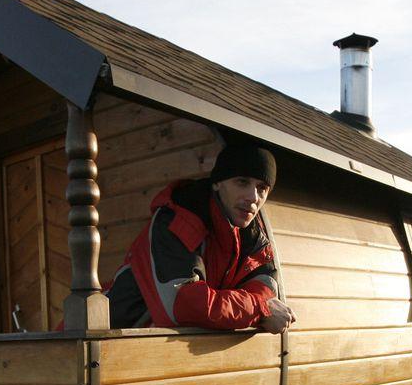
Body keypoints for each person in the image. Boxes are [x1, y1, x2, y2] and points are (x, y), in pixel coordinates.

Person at [105, 143, 295, 333]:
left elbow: (266, 292)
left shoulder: (254, 238)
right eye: (242, 182)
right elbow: (185, 306)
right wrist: (260, 310)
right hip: (117, 338)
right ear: (217, 183)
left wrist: (258, 306)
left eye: (262, 188)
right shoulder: (178, 219)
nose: (253, 197)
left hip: (177, 347)